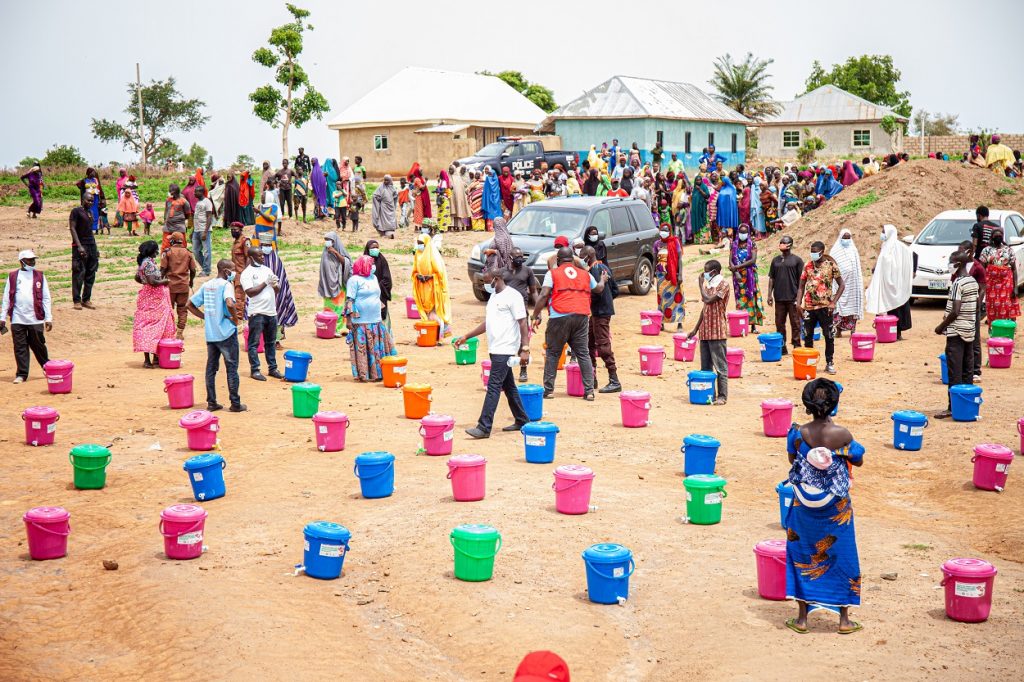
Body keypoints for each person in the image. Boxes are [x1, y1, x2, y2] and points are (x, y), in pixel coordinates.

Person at [784, 378, 864, 635]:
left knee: (803, 553)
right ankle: (843, 620)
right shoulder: (842, 435)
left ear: (807, 404)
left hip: (803, 504)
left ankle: (802, 620)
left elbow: (792, 457)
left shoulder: (797, 433)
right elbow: (858, 459)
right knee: (842, 552)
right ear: (834, 404)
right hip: (835, 507)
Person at [457, 267, 532, 439]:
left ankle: (484, 426)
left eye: (487, 280)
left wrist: (525, 348)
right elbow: (488, 323)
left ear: (497, 279)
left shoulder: (513, 296)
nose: (485, 284)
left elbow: (522, 323)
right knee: (508, 386)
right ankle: (522, 420)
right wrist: (467, 336)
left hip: (505, 348)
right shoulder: (493, 297)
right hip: (495, 347)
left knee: (493, 387)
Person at [531, 247, 609, 401]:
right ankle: (589, 391)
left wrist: (535, 314)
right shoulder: (585, 274)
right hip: (581, 317)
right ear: (573, 260)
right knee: (583, 354)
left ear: (559, 261)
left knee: (553, 353)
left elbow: (544, 294)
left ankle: (549, 390)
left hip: (559, 317)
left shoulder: (552, 273)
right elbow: (599, 289)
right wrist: (603, 279)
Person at [187, 260, 245, 413]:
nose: (234, 274)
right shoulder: (226, 286)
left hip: (211, 334)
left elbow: (190, 304)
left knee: (211, 369)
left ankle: (211, 402)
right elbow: (230, 303)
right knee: (232, 368)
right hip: (226, 333)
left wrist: (205, 317)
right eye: (232, 270)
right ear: (226, 271)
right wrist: (235, 319)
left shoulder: (207, 285)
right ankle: (235, 403)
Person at [933, 248, 979, 419]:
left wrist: (941, 326)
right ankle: (966, 405)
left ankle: (952, 407)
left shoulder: (957, 283)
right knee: (967, 371)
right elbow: (974, 306)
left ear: (958, 264)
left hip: (956, 332)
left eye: (951, 262)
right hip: (969, 331)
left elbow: (955, 310)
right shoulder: (973, 282)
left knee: (954, 372)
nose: (949, 265)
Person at [1, 249, 52, 383]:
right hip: (18, 318)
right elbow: (6, 298)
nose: (32, 262)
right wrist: (2, 318)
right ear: (22, 262)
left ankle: (47, 368)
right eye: (29, 260)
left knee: (39, 345)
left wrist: (48, 318)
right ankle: (22, 374)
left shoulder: (40, 276)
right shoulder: (12, 276)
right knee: (20, 347)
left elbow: (46, 298)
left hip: (35, 318)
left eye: (33, 259)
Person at [344, 255, 397, 382]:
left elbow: (377, 296)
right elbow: (350, 300)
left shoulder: (373, 277)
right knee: (363, 349)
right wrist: (349, 320)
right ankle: (364, 374)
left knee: (378, 348)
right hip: (361, 321)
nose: (373, 267)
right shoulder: (354, 280)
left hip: (376, 320)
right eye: (370, 264)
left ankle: (379, 373)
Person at [797, 241, 845, 374]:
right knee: (807, 336)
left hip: (825, 307)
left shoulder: (831, 266)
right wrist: (798, 303)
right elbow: (801, 286)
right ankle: (809, 362)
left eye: (815, 252)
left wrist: (833, 302)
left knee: (828, 335)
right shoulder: (807, 265)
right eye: (811, 251)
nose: (812, 254)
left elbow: (841, 285)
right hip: (809, 307)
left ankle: (829, 362)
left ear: (822, 252)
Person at [688, 260, 730, 405]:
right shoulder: (709, 285)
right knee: (705, 366)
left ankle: (722, 396)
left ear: (713, 272)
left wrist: (700, 284)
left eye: (706, 271)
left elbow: (708, 300)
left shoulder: (723, 284)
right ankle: (708, 394)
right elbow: (705, 310)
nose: (704, 274)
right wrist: (695, 329)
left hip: (717, 330)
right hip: (705, 331)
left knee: (720, 366)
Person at [241, 246, 283, 381]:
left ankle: (273, 368)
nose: (262, 257)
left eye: (262, 255)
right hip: (257, 313)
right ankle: (255, 370)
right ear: (252, 258)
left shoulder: (267, 270)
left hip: (271, 312)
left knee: (270, 342)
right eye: (259, 256)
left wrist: (275, 284)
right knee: (253, 343)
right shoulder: (247, 273)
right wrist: (265, 283)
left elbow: (276, 290)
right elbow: (250, 293)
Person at [865, 224, 914, 340]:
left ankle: (898, 332)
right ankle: (884, 331)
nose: (882, 234)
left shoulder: (900, 247)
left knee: (898, 306)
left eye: (883, 232)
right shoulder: (885, 245)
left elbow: (909, 258)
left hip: (896, 283)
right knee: (886, 306)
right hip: (885, 283)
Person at [582, 245, 620, 393]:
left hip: (600, 312)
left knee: (602, 344)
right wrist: (608, 300)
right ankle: (592, 378)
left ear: (587, 257)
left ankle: (614, 379)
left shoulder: (595, 271)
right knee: (589, 343)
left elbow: (598, 291)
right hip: (600, 311)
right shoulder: (604, 266)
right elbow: (615, 290)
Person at [131, 241, 175, 368]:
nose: (157, 252)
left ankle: (152, 358)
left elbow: (137, 277)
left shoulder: (144, 263)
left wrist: (145, 283)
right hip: (154, 299)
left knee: (149, 325)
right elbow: (152, 281)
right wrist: (164, 281)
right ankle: (151, 359)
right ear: (151, 251)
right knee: (155, 326)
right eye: (156, 250)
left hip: (147, 297)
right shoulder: (149, 264)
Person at [951, 240, 987, 380]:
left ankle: (976, 370)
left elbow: (982, 288)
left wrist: (976, 304)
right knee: (960, 337)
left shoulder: (977, 267)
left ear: (970, 251)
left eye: (962, 250)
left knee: (974, 337)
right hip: (960, 307)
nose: (960, 252)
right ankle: (963, 370)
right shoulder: (959, 265)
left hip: (972, 307)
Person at [259, 234, 298, 347]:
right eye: (264, 245)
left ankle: (276, 340)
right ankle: (263, 341)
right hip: (262, 293)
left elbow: (281, 275)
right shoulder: (257, 259)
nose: (267, 247)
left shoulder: (276, 258)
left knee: (277, 314)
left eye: (268, 245)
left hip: (277, 293)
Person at [412, 233, 452, 339]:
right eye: (418, 243)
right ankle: (431, 335)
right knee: (426, 312)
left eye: (421, 243)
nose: (419, 245)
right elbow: (414, 271)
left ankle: (440, 334)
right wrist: (418, 276)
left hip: (434, 289)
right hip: (422, 288)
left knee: (435, 312)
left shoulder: (433, 255)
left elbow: (440, 274)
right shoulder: (418, 254)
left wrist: (430, 277)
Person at [979, 227, 1020, 325]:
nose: (998, 237)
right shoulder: (986, 250)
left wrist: (1015, 287)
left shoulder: (1009, 250)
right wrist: (982, 286)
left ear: (1003, 237)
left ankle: (1008, 328)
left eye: (1000, 235)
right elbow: (982, 268)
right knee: (993, 306)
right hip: (991, 284)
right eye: (996, 235)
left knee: (1007, 305)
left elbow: (1014, 269)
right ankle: (993, 328)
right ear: (992, 237)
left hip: (1007, 283)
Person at [160, 232, 197, 340]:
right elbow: (193, 270)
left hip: (170, 286)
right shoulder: (188, 253)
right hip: (183, 285)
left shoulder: (167, 252)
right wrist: (191, 281)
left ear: (173, 241)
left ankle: (169, 332)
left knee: (168, 309)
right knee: (182, 309)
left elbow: (162, 269)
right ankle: (180, 332)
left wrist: (160, 281)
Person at [828, 229, 864, 336]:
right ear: (840, 238)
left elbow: (857, 268)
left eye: (848, 238)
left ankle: (853, 329)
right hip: (839, 284)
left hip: (852, 284)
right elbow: (832, 265)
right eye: (844, 238)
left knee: (853, 307)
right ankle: (839, 330)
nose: (846, 240)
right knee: (838, 306)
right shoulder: (835, 251)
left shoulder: (854, 250)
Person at [70, 193, 99, 311]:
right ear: (83, 200)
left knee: (91, 273)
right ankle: (76, 300)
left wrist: (95, 248)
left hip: (91, 245)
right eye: (88, 200)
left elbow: (90, 232)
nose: (90, 203)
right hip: (80, 245)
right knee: (79, 273)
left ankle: (86, 299)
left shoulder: (90, 213)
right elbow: (72, 228)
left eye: (92, 201)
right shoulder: (76, 212)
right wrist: (79, 246)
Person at [319, 231, 352, 336]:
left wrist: (336, 253)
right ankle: (330, 328)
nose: (327, 242)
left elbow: (347, 263)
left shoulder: (340, 251)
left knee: (340, 308)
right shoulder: (324, 254)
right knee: (329, 308)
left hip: (339, 285)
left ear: (335, 241)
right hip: (328, 286)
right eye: (326, 240)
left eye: (329, 240)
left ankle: (339, 328)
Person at [654, 225, 685, 331]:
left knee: (677, 298)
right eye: (662, 230)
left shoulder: (675, 241)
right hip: (661, 276)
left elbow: (680, 257)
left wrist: (680, 274)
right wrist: (654, 272)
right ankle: (661, 322)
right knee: (662, 300)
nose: (663, 232)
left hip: (674, 275)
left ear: (670, 231)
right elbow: (655, 259)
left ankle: (679, 323)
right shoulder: (657, 244)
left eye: (666, 230)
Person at [364, 240, 393, 330]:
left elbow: (387, 279)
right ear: (368, 249)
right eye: (373, 248)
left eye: (377, 247)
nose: (375, 249)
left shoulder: (382, 260)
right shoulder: (363, 261)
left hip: (380, 294)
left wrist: (377, 287)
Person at [191, 185, 214, 277]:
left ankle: (206, 270)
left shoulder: (207, 202)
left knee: (206, 250)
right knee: (196, 251)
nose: (194, 193)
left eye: (196, 191)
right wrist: (193, 230)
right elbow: (196, 218)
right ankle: (205, 268)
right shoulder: (198, 202)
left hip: (204, 230)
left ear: (201, 192)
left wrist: (205, 231)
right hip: (196, 230)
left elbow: (209, 216)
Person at [75, 167, 105, 233]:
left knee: (95, 212)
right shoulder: (84, 180)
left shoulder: (96, 180)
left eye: (94, 172)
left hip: (95, 198)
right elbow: (81, 188)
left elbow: (100, 188)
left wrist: (102, 198)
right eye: (92, 172)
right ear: (88, 173)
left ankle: (95, 227)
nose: (94, 173)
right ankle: (88, 227)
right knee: (88, 212)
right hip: (87, 199)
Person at [163, 183, 191, 251]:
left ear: (175, 192)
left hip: (179, 227)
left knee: (181, 246)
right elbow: (166, 211)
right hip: (168, 227)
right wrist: (165, 220)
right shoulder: (168, 200)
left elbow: (188, 214)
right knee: (165, 246)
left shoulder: (184, 202)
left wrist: (178, 219)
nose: (169, 192)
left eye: (170, 191)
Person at [229, 222, 248, 308]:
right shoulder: (236, 242)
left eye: (235, 230)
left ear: (240, 230)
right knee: (236, 293)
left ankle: (239, 315)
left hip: (242, 272)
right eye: (232, 230)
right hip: (235, 272)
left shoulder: (244, 241)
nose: (233, 232)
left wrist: (247, 272)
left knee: (239, 295)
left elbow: (248, 257)